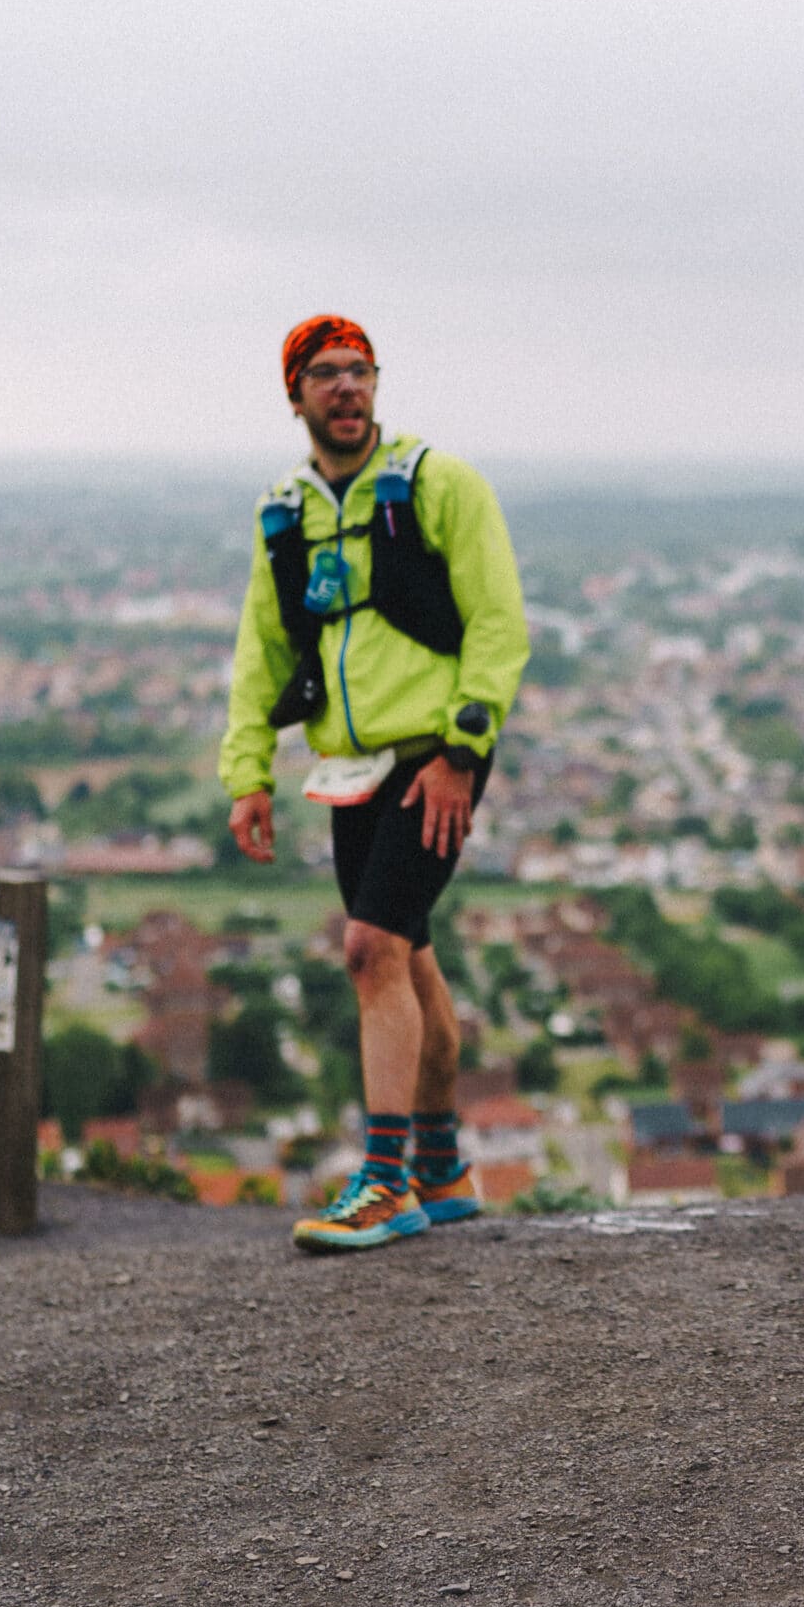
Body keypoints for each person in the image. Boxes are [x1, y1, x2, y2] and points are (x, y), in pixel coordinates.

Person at [221, 315, 530, 1253]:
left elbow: (497, 620)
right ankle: (442, 1166)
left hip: (435, 758)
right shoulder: (286, 513)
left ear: (377, 386)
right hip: (348, 768)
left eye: (360, 372)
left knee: (368, 951)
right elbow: (262, 651)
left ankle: (387, 1179)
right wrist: (249, 774)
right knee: (408, 958)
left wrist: (464, 749)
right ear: (295, 394)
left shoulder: (439, 485)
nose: (346, 389)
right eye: (325, 375)